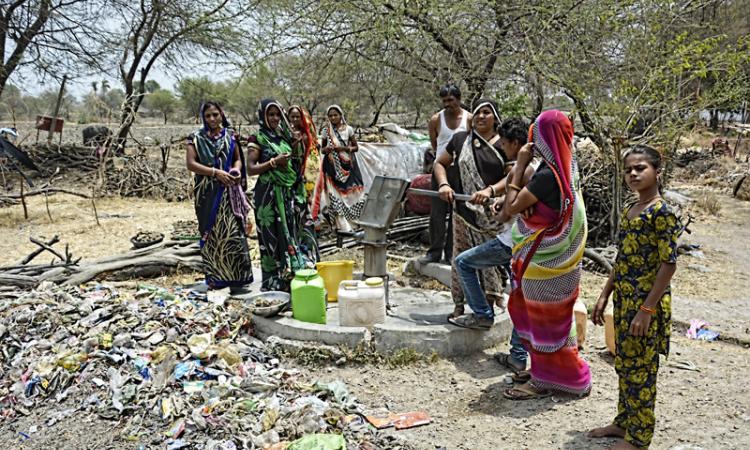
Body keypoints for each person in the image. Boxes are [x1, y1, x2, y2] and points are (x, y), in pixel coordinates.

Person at [588, 146, 682, 450]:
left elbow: (669, 263)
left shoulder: (662, 212)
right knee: (625, 365)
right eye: (628, 169)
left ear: (657, 171)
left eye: (640, 168)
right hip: (625, 302)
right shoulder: (632, 209)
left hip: (645, 305)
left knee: (641, 369)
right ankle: (623, 422)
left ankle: (639, 438)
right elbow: (623, 259)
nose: (633, 174)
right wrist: (605, 294)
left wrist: (646, 309)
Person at [501, 110, 591, 400]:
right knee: (558, 323)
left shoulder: (544, 176)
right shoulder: (567, 168)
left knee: (543, 324)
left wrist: (520, 168)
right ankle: (558, 371)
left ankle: (544, 380)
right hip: (562, 264)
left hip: (542, 263)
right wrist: (530, 206)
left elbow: (510, 208)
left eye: (534, 135)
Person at [448, 118, 532, 371]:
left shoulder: (524, 168)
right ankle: (517, 356)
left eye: (505, 144)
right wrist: (501, 198)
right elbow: (514, 198)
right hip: (524, 242)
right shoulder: (534, 166)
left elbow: (508, 211)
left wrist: (500, 207)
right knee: (518, 298)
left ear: (515, 144)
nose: (502, 148)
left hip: (513, 242)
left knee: (464, 262)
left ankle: (483, 315)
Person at [432, 99, 506, 321]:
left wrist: (491, 190)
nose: (481, 117)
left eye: (487, 112)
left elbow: (514, 175)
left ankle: (488, 304)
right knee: (459, 259)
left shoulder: (505, 143)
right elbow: (439, 163)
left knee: (488, 261)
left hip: (493, 214)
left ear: (495, 118)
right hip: (463, 212)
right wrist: (444, 184)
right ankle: (459, 305)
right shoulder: (460, 139)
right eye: (478, 113)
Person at [185, 102, 253, 294]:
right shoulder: (195, 138)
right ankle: (216, 278)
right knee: (212, 233)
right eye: (208, 116)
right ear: (203, 117)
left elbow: (237, 159)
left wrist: (236, 170)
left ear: (221, 115)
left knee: (233, 233)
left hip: (228, 191)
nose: (212, 119)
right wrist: (215, 173)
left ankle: (238, 278)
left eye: (215, 114)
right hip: (207, 194)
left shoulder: (230, 136)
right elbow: (191, 164)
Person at [247, 99, 310, 291]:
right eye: (270, 114)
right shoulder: (257, 138)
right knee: (270, 238)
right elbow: (250, 169)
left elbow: (295, 164)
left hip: (286, 194)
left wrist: (296, 145)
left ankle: (288, 278)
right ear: (263, 116)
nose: (274, 118)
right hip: (267, 195)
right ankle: (272, 282)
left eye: (277, 114)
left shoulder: (283, 137)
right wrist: (273, 162)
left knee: (287, 234)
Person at [419, 84, 471, 264]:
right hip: (441, 170)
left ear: (458, 99)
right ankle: (434, 251)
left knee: (457, 213)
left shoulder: (468, 119)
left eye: (451, 100)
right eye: (444, 101)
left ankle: (451, 252)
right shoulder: (436, 120)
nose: (447, 104)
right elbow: (436, 146)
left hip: (461, 171)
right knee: (437, 215)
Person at [310, 105, 365, 232]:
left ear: (341, 115)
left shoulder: (349, 130)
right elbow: (322, 149)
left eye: (335, 115)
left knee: (353, 194)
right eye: (330, 116)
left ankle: (354, 223)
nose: (333, 117)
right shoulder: (326, 131)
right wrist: (327, 150)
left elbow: (355, 147)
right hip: (331, 168)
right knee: (335, 196)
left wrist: (344, 149)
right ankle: (341, 226)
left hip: (348, 166)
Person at [287, 105, 320, 201]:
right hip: (287, 165)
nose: (295, 119)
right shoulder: (284, 132)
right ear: (288, 117)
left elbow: (307, 153)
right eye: (292, 117)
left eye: (298, 117)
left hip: (301, 166)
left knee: (302, 193)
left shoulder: (304, 134)